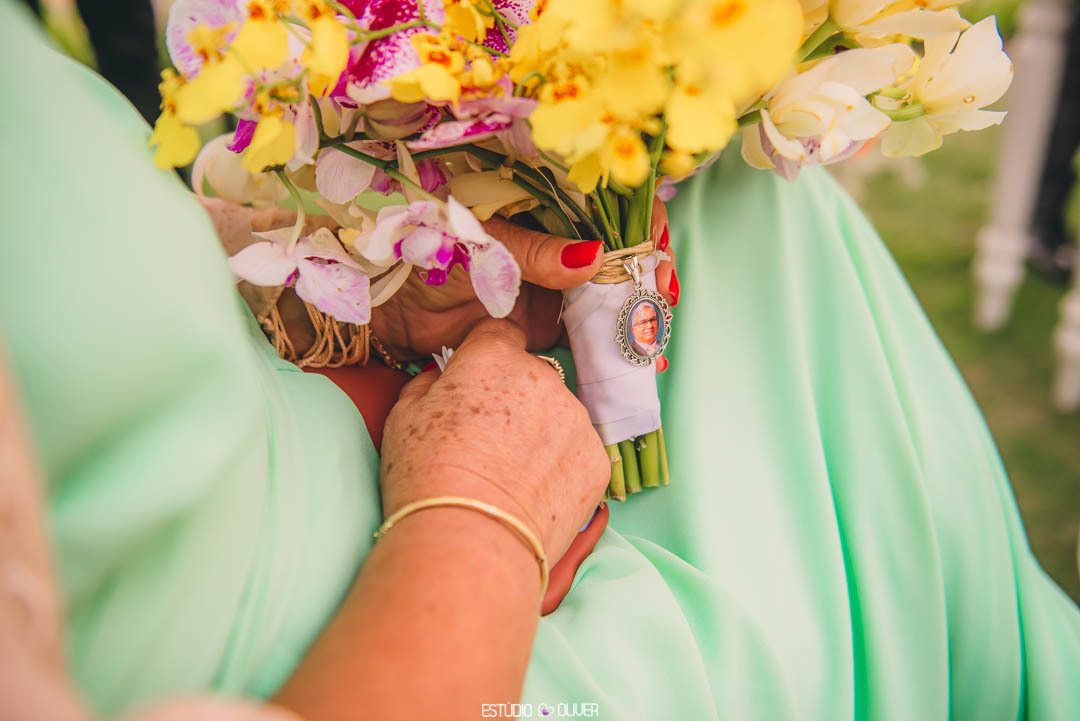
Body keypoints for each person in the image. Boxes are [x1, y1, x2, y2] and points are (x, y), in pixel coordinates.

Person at [1, 2, 1078, 721]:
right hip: (423, 643)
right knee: (770, 263)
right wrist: (478, 516)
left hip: (376, 418)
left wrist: (343, 275)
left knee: (750, 223)